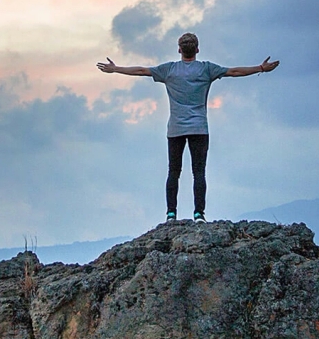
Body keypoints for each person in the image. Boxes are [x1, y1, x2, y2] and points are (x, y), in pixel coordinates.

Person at [97, 33, 279, 223]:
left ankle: (171, 214)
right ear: (197, 49)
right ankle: (199, 214)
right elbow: (234, 72)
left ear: (179, 50)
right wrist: (260, 68)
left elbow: (142, 70)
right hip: (199, 128)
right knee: (199, 172)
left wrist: (116, 69)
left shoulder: (169, 70)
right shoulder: (207, 69)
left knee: (173, 171)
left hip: (176, 129)